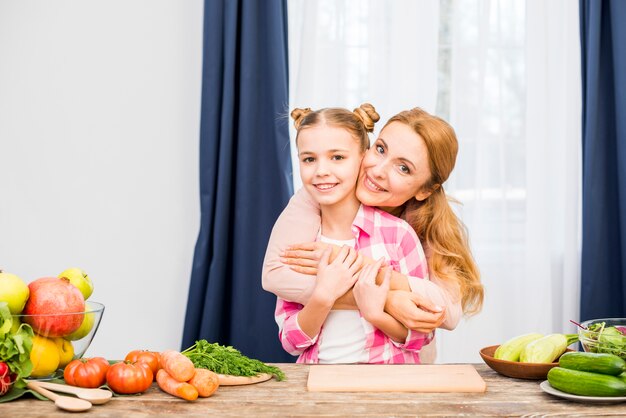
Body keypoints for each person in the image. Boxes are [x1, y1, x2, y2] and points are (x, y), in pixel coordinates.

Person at [264, 107, 484, 363]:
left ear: (425, 190)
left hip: (400, 372)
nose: (378, 170)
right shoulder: (312, 202)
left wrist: (367, 272)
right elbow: (275, 278)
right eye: (380, 149)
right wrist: (387, 300)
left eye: (403, 168)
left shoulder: (408, 230)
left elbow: (444, 315)